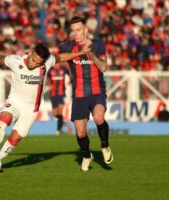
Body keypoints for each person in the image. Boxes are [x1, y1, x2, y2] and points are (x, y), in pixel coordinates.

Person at [0, 43, 90, 168]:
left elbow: (62, 57)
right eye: (33, 60)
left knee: (15, 138)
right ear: (31, 53)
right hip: (14, 101)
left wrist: (81, 53)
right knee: (3, 122)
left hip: (31, 109)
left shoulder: (47, 62)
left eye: (38, 63)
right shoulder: (15, 60)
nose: (34, 64)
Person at [49, 16, 113, 171]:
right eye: (73, 31)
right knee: (81, 132)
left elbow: (103, 67)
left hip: (97, 91)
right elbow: (51, 50)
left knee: (99, 118)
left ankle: (105, 145)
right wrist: (32, 51)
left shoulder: (98, 44)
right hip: (79, 95)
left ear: (85, 30)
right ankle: (86, 155)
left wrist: (89, 53)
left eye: (78, 30)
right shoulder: (68, 46)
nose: (76, 33)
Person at [46, 63, 70, 135]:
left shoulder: (64, 69)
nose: (57, 65)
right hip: (53, 94)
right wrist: (49, 84)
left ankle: (58, 130)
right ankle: (62, 122)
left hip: (61, 93)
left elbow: (71, 73)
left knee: (60, 111)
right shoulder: (50, 70)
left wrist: (70, 80)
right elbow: (48, 79)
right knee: (55, 114)